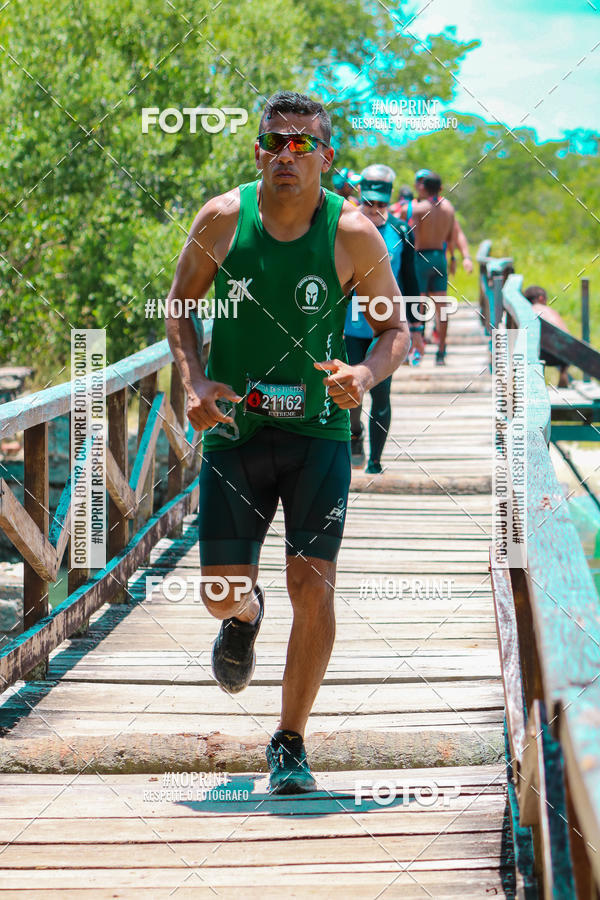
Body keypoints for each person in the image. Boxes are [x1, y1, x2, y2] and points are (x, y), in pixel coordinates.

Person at [165, 90, 409, 795]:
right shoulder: (221, 219)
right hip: (237, 432)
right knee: (218, 593)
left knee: (313, 582)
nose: (286, 155)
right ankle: (243, 618)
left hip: (318, 436)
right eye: (275, 142)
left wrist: (364, 372)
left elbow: (395, 332)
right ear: (258, 152)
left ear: (326, 159)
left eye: (302, 145)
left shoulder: (353, 233)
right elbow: (179, 308)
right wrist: (197, 379)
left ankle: (290, 740)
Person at [343, 165, 420, 472]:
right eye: (368, 203)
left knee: (381, 394)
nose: (374, 210)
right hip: (349, 327)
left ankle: (375, 461)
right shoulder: (345, 227)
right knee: (350, 391)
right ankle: (354, 435)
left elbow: (411, 280)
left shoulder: (401, 231)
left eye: (381, 205)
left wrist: (419, 327)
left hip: (386, 328)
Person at [402, 171, 455, 366]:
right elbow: (451, 236)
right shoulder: (448, 208)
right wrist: (454, 257)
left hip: (420, 257)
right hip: (439, 257)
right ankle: (441, 350)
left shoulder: (418, 209)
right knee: (442, 306)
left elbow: (409, 236)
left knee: (419, 304)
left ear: (423, 187)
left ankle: (417, 350)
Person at [523, 285, 570, 387]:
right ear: (541, 298)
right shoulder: (552, 311)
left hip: (541, 353)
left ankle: (538, 384)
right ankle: (563, 374)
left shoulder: (530, 310)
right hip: (564, 354)